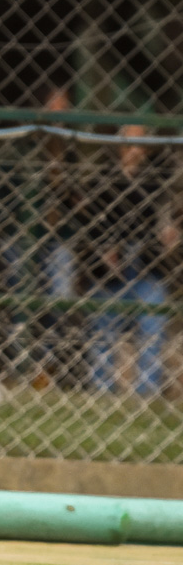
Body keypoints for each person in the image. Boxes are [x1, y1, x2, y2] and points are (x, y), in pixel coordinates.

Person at [78, 125, 179, 397]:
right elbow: (91, 225)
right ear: (118, 145)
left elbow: (163, 223)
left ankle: (146, 392)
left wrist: (167, 233)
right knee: (101, 330)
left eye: (139, 143)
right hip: (108, 269)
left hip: (146, 264)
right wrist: (104, 247)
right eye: (128, 143)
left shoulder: (156, 182)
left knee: (152, 325)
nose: (134, 149)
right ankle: (101, 391)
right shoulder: (100, 181)